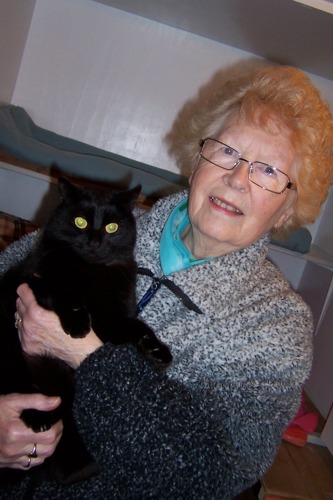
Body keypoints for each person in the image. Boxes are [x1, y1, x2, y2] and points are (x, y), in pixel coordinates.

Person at [1, 64, 333, 499]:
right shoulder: (95, 232)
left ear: (288, 209)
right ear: (197, 162)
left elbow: (208, 477)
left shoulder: (276, 327)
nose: (236, 180)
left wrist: (85, 355)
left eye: (269, 171)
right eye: (227, 152)